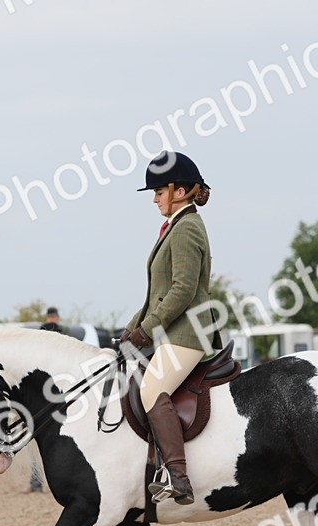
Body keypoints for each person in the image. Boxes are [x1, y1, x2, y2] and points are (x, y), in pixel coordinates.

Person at [123, 151, 217, 505]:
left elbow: (183, 289)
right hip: (172, 330)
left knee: (151, 391)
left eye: (159, 191)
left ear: (180, 191)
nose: (154, 198)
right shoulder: (175, 226)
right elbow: (156, 294)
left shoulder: (187, 226)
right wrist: (131, 329)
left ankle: (179, 477)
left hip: (187, 333)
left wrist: (147, 330)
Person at [25, 306, 70, 493]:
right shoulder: (65, 341)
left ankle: (37, 483)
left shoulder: (40, 348)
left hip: (46, 402)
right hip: (60, 400)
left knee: (38, 444)